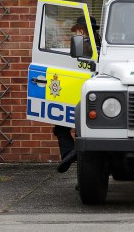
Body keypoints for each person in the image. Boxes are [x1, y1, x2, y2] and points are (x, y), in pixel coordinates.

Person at [55, 16, 101, 173]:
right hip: (90, 93)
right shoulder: (100, 45)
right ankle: (70, 156)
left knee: (63, 127)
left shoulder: (86, 46)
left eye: (77, 32)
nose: (75, 35)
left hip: (83, 92)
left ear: (82, 30)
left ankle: (69, 153)